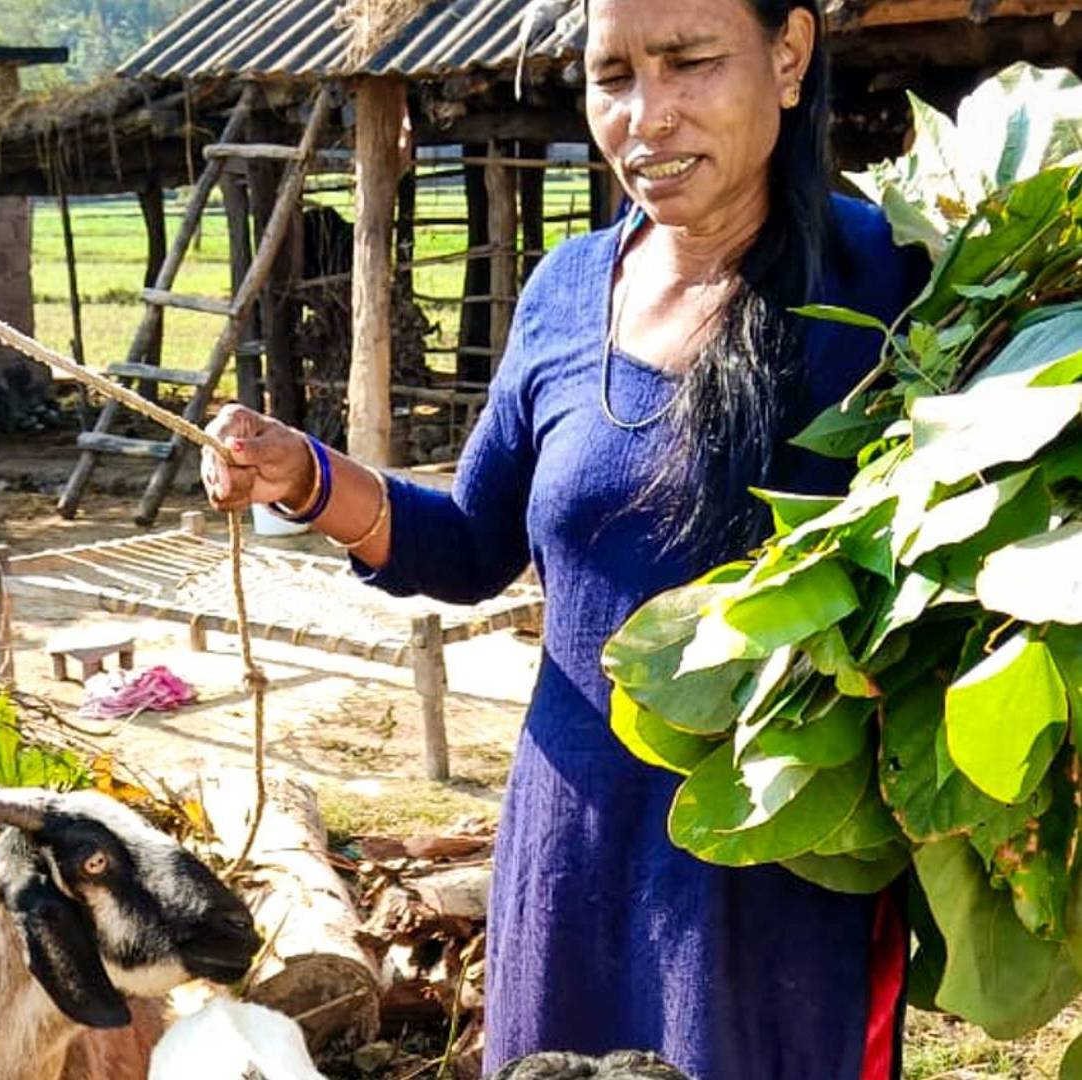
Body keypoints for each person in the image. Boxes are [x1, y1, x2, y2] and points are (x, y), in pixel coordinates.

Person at [201, 1, 928, 1078]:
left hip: (774, 866)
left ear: (788, 56)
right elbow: (471, 543)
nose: (647, 115)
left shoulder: (897, 288)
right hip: (571, 839)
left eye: (689, 64)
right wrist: (307, 477)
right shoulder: (567, 290)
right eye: (614, 75)